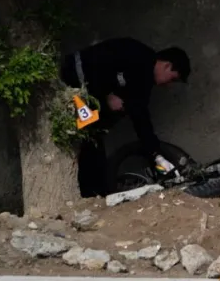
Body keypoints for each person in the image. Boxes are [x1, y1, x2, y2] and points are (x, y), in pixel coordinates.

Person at [59, 37, 191, 197]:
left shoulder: (144, 83)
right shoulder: (135, 53)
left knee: (93, 142)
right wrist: (107, 95)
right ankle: (91, 194)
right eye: (172, 78)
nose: (168, 85)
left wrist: (156, 154)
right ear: (166, 65)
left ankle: (95, 194)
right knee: (89, 142)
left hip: (87, 98)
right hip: (73, 79)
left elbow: (140, 117)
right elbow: (97, 63)